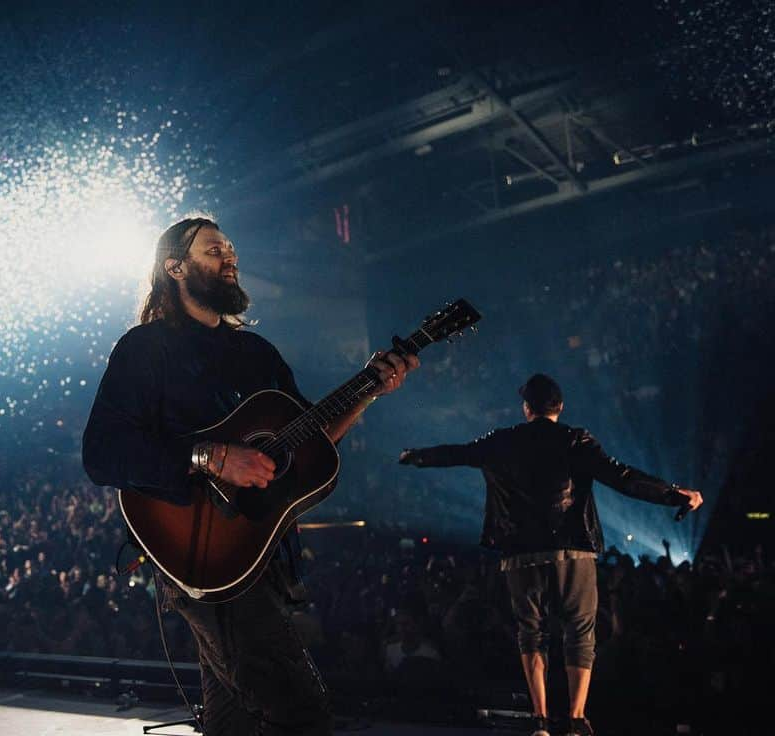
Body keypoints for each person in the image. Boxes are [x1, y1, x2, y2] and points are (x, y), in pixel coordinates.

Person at [82, 215, 418, 735]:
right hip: (195, 547)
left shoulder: (255, 353)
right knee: (299, 708)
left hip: (261, 551)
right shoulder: (146, 349)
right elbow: (103, 452)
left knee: (233, 717)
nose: (230, 258)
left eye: (231, 250)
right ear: (175, 268)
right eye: (214, 252)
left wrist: (369, 389)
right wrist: (212, 457)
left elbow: (310, 439)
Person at [398, 374, 703, 736]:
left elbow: (458, 453)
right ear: (560, 407)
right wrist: (671, 493)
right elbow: (622, 476)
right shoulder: (575, 439)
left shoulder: (502, 440)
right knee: (579, 631)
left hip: (520, 553)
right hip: (571, 550)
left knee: (531, 632)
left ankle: (540, 720)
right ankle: (575, 718)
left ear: (527, 408)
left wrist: (418, 457)